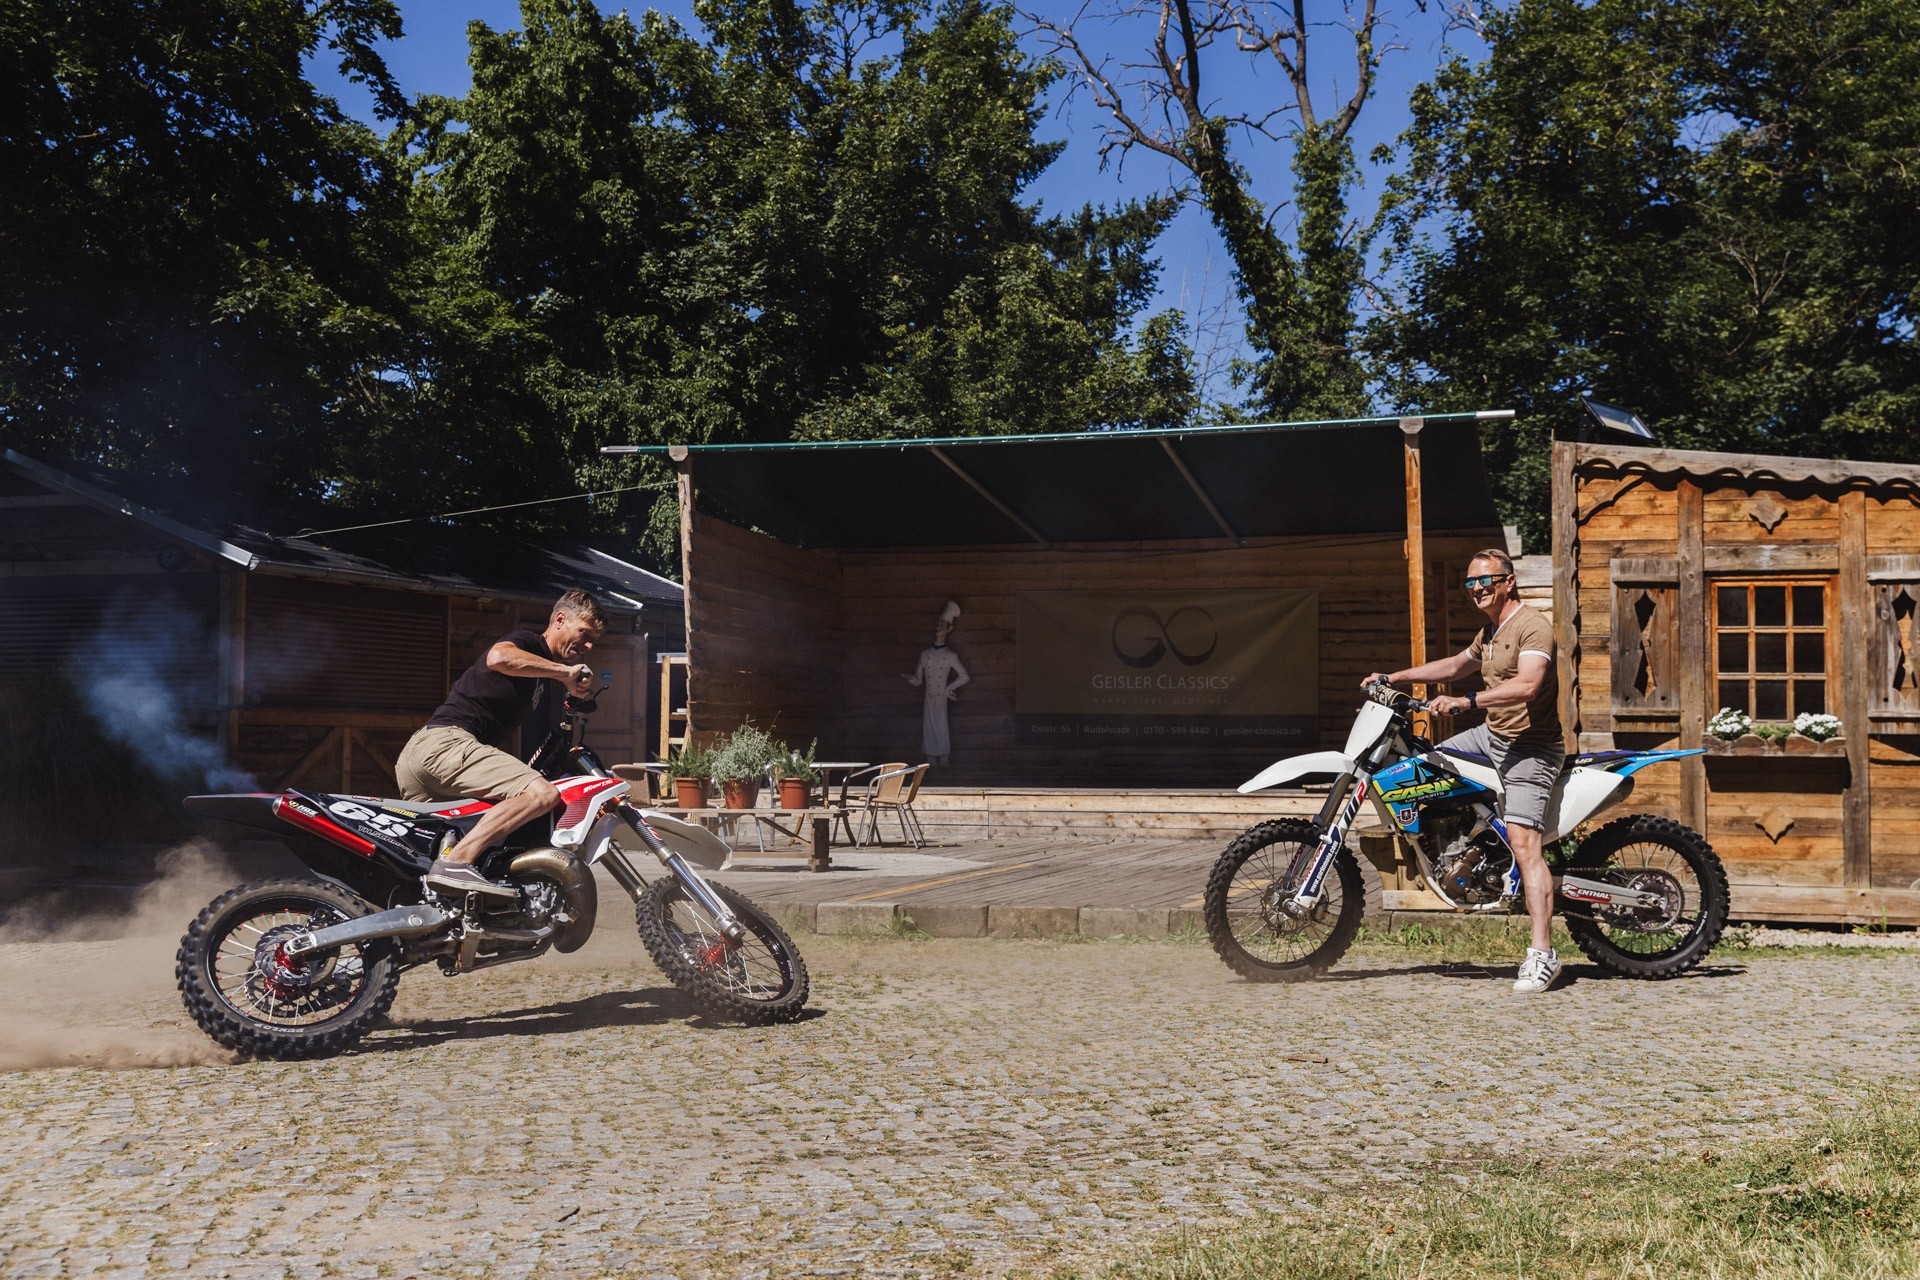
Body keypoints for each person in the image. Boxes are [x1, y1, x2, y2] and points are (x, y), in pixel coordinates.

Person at [1363, 549, 1566, 994]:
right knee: (1423, 768)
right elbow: (1456, 665)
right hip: (1490, 739)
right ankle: (1471, 845)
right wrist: (1394, 677)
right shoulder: (1490, 631)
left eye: (1485, 581)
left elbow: (1529, 685)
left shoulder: (1533, 626)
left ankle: (1542, 954)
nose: (1477, 589)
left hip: (1531, 749)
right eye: (1470, 583)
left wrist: (1465, 702)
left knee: (1526, 843)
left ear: (1508, 581)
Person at [395, 589, 606, 898]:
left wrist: (570, 696)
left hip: (424, 757)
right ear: (560, 619)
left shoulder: (538, 677)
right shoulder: (528, 642)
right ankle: (457, 861)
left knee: (434, 878)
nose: (587, 646)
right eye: (584, 633)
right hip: (445, 745)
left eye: (593, 641)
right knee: (541, 794)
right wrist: (564, 673)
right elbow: (499, 657)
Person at [903, 600, 969, 765]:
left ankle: (944, 760)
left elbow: (964, 676)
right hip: (928, 697)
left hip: (941, 697)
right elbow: (919, 680)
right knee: (929, 728)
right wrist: (913, 679)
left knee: (941, 727)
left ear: (949, 629)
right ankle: (930, 760)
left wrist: (949, 688)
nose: (939, 626)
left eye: (943, 624)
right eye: (938, 623)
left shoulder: (950, 655)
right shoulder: (925, 654)